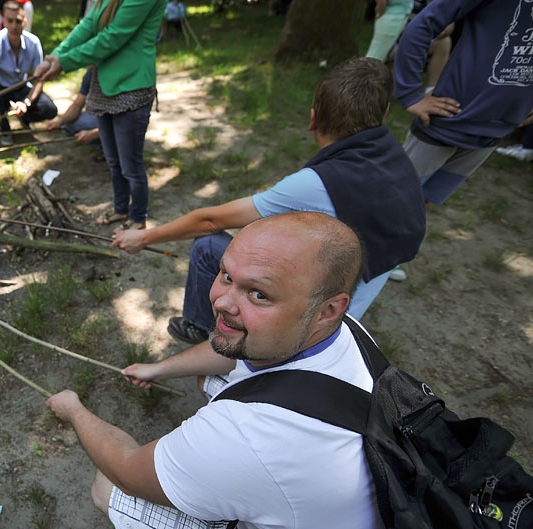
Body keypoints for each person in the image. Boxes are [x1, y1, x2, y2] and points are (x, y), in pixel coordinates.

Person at [47, 212, 386, 529]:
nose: (221, 302)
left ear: (328, 308)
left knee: (107, 488)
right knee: (210, 377)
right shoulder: (344, 332)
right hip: (358, 519)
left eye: (259, 294)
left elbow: (126, 469)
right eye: (226, 275)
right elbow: (234, 351)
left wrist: (73, 409)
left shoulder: (248, 436)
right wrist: (159, 369)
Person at [112, 57, 426, 344]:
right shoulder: (395, 158)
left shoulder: (315, 184)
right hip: (355, 288)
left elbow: (210, 220)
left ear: (313, 118)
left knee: (208, 247)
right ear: (385, 113)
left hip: (311, 318)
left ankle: (199, 328)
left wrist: (143, 236)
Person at [34, 0, 165, 229]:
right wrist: (54, 57)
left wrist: (64, 62)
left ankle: (138, 217)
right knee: (114, 161)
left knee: (130, 165)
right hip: (103, 85)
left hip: (131, 87)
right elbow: (88, 25)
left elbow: (113, 37)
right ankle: (121, 210)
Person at [393, 0, 533, 206]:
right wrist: (410, 94)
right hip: (449, 118)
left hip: (498, 128)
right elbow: (423, 24)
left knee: (420, 206)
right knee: (392, 201)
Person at [0, 0, 57, 146]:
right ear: (4, 21)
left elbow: (40, 80)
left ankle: (24, 117)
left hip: (21, 87)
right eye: (10, 21)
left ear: (25, 21)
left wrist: (26, 102)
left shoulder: (33, 43)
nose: (14, 26)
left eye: (18, 21)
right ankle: (4, 128)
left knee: (50, 109)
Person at [45, 66, 99, 147]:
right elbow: (77, 106)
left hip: (119, 121)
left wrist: (94, 134)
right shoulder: (91, 73)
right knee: (68, 126)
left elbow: (124, 121)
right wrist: (60, 122)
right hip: (100, 116)